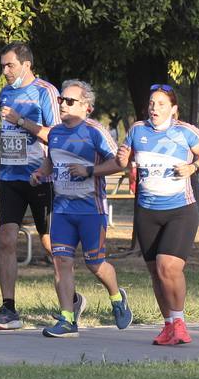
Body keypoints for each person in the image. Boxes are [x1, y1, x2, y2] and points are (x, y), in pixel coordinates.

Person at [32, 80, 134, 338]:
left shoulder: (95, 131)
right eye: (61, 100)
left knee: (95, 264)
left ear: (86, 107)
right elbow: (50, 161)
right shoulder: (54, 133)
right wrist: (40, 173)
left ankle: (116, 297)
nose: (63, 105)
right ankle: (67, 319)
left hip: (91, 210)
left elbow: (118, 164)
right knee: (61, 261)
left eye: (69, 101)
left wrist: (90, 170)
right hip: (63, 210)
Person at [117, 84, 199, 346]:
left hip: (179, 211)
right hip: (147, 211)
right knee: (155, 273)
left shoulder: (185, 132)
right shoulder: (137, 130)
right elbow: (122, 162)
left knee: (168, 266)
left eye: (161, 104)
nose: (154, 108)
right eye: (151, 103)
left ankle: (180, 322)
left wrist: (193, 167)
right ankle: (169, 325)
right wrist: (122, 157)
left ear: (173, 109)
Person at [0, 43, 59, 330]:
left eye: (9, 65)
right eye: (2, 65)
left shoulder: (45, 91)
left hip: (41, 177)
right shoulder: (6, 92)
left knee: (51, 245)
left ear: (26, 64)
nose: (4, 71)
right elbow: (13, 132)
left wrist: (21, 120)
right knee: (5, 240)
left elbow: (57, 135)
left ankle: (71, 300)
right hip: (10, 176)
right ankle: (9, 309)